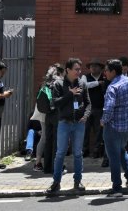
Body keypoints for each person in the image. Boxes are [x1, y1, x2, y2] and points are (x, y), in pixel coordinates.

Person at [46, 57, 91, 195]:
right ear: (68, 70)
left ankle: (78, 181)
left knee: (78, 153)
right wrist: (69, 94)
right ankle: (56, 182)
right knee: (60, 153)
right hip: (64, 122)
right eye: (76, 69)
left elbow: (88, 102)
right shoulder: (59, 84)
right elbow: (55, 103)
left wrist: (86, 115)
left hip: (79, 123)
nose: (79, 72)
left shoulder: (83, 83)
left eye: (79, 69)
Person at [101, 59, 128, 197]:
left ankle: (117, 188)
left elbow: (108, 108)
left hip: (113, 127)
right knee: (121, 151)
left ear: (113, 71)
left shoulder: (112, 87)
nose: (105, 73)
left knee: (113, 157)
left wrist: (103, 121)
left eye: (106, 70)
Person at [39, 64, 64, 174]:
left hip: (47, 115)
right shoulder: (60, 82)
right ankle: (56, 167)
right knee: (57, 142)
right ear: (59, 73)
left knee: (48, 141)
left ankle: (47, 167)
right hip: (58, 115)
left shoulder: (45, 84)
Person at [84, 60, 106, 158]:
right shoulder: (86, 77)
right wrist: (98, 83)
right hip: (87, 109)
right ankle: (85, 150)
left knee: (98, 131)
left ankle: (97, 150)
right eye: (91, 66)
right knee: (85, 130)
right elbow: (84, 86)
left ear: (100, 68)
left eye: (96, 66)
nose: (93, 68)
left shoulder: (104, 77)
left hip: (100, 108)